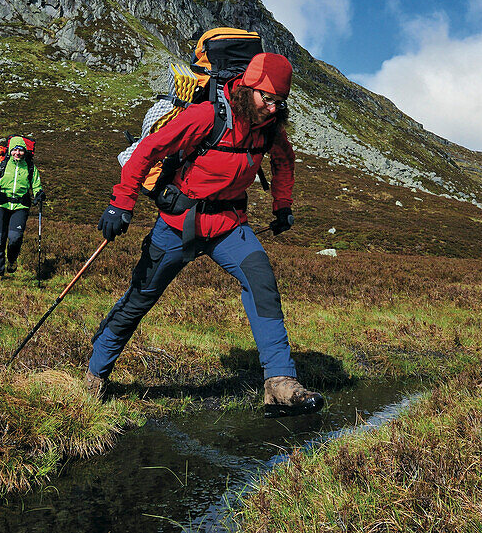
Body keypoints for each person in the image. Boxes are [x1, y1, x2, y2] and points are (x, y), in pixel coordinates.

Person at [88, 51, 324, 417]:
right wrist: (121, 203)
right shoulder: (206, 116)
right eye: (268, 98)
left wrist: (282, 206)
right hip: (179, 224)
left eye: (281, 102)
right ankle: (96, 373)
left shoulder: (269, 129)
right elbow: (149, 150)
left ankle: (279, 382)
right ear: (247, 88)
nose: (274, 108)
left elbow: (284, 162)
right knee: (140, 298)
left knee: (262, 282)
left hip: (230, 225)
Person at [0, 136, 45, 279]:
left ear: (25, 152)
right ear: (10, 151)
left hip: (20, 206)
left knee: (15, 238)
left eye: (20, 150)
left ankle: (12, 260)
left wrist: (39, 194)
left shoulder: (31, 168)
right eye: (15, 150)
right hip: (1, 204)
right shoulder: (2, 165)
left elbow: (36, 186)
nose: (17, 153)